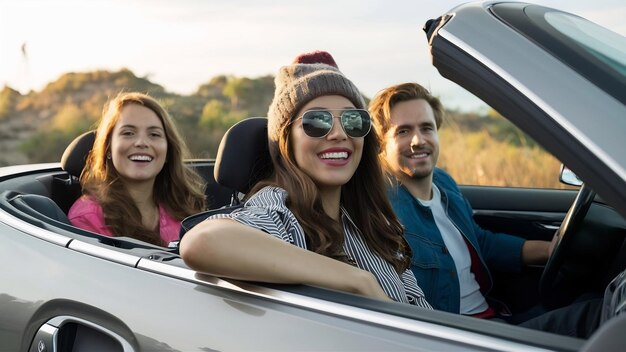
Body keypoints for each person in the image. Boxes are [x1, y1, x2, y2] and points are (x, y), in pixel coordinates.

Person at [180, 51, 432, 308]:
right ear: (286, 139)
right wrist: (358, 281)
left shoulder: (371, 224)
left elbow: (420, 311)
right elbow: (202, 242)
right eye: (316, 121)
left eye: (352, 121)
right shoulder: (280, 212)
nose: (338, 133)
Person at [369, 82, 552, 318]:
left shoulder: (444, 182)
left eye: (427, 128)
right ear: (382, 142)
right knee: (587, 317)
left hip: (494, 314)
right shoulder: (379, 206)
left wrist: (549, 249)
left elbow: (481, 242)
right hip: (460, 331)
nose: (418, 141)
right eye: (403, 131)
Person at [68, 92, 206, 247]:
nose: (141, 142)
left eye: (154, 134)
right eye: (128, 133)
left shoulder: (184, 208)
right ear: (108, 149)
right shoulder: (89, 218)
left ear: (168, 151)